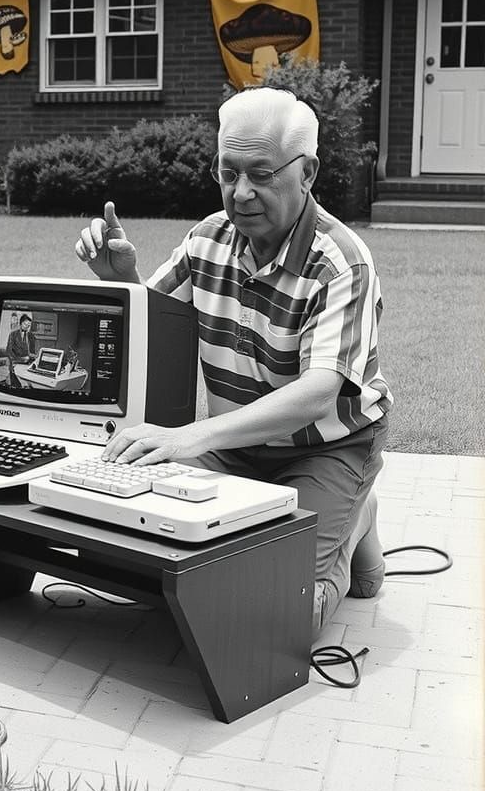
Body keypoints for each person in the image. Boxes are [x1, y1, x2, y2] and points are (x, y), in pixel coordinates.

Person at [74, 86, 392, 635]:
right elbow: (157, 330)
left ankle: (357, 515)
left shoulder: (342, 263)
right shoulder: (206, 240)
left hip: (325, 447)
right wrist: (121, 281)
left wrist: (189, 437)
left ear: (308, 173)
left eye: (261, 175)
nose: (240, 193)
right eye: (228, 173)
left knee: (279, 619)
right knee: (134, 557)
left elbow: (318, 394)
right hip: (235, 445)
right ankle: (326, 519)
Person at [5, 314, 37, 386]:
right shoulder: (12, 334)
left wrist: (33, 357)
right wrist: (21, 359)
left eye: (29, 325)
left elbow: (32, 352)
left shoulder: (31, 336)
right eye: (25, 324)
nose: (27, 327)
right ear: (20, 323)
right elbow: (9, 351)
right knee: (16, 386)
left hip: (27, 366)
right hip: (15, 363)